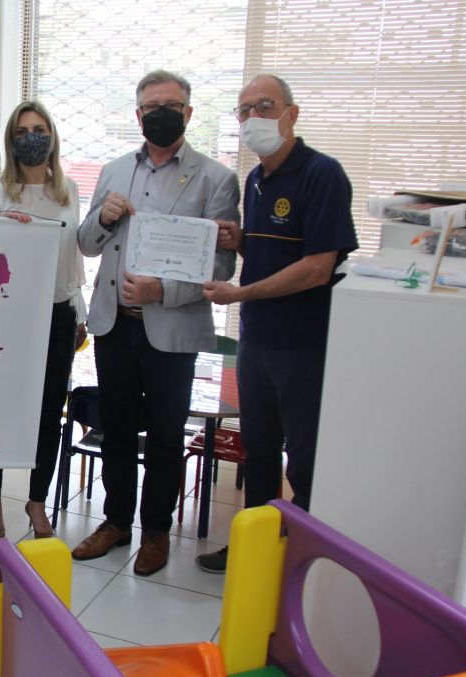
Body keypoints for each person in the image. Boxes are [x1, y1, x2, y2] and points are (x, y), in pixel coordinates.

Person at [70, 70, 239, 576]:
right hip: (114, 324)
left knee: (166, 435)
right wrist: (103, 218)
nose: (159, 114)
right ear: (138, 114)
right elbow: (85, 243)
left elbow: (221, 266)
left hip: (172, 330)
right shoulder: (114, 170)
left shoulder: (215, 178)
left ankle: (157, 531)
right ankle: (116, 522)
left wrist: (160, 291)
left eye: (170, 106)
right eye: (151, 107)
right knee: (117, 429)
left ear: (188, 113)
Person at [196, 74, 358, 574]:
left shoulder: (322, 174)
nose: (253, 118)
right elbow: (275, 253)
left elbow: (317, 268)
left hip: (303, 344)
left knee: (304, 458)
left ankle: (304, 560)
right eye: (244, 110)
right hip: (257, 341)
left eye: (264, 106)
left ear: (292, 113)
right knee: (259, 451)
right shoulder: (256, 179)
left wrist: (239, 293)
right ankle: (256, 548)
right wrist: (240, 241)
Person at [0, 100, 87, 540]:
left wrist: (79, 312)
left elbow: (74, 258)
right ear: (10, 140)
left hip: (58, 315)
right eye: (22, 132)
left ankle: (37, 501)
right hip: (9, 317)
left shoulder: (68, 190)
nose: (32, 138)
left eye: (39, 129)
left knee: (48, 413)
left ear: (52, 136)